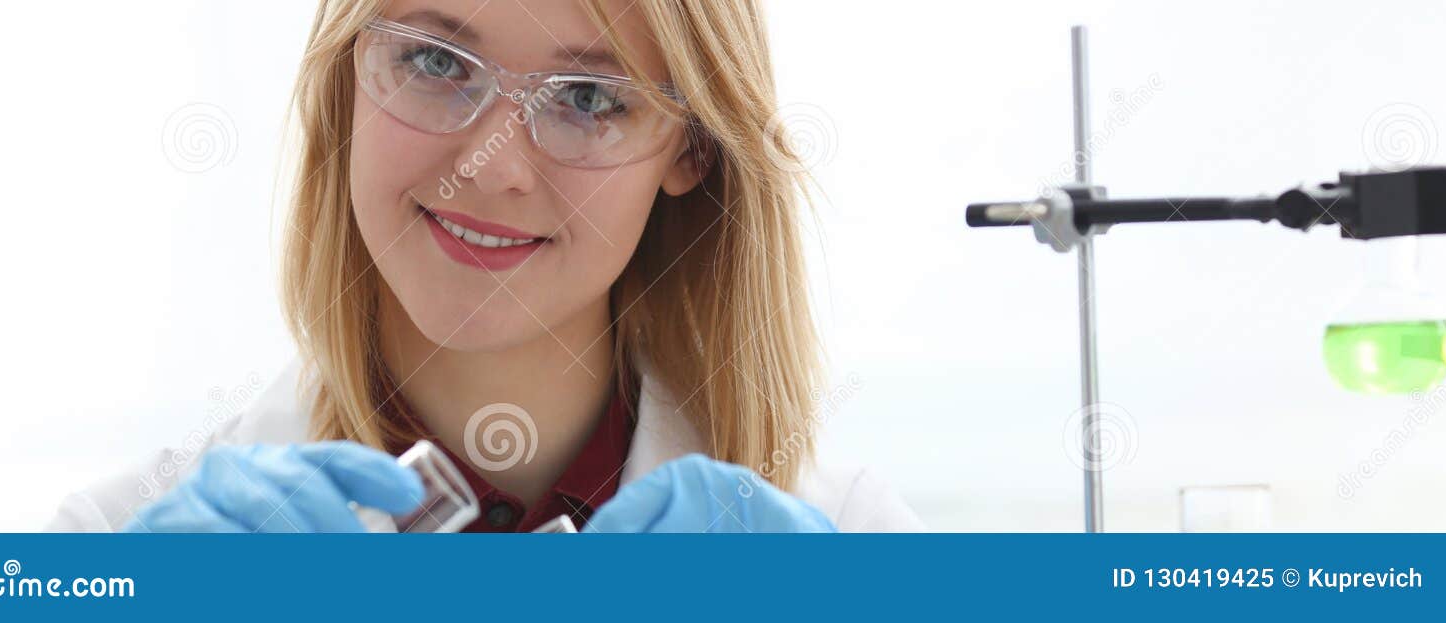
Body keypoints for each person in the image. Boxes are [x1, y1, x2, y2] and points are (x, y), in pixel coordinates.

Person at [48, 0, 921, 533]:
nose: (488, 166)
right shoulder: (114, 548)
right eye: (435, 61)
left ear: (690, 149)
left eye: (588, 100)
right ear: (350, 75)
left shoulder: (851, 545)